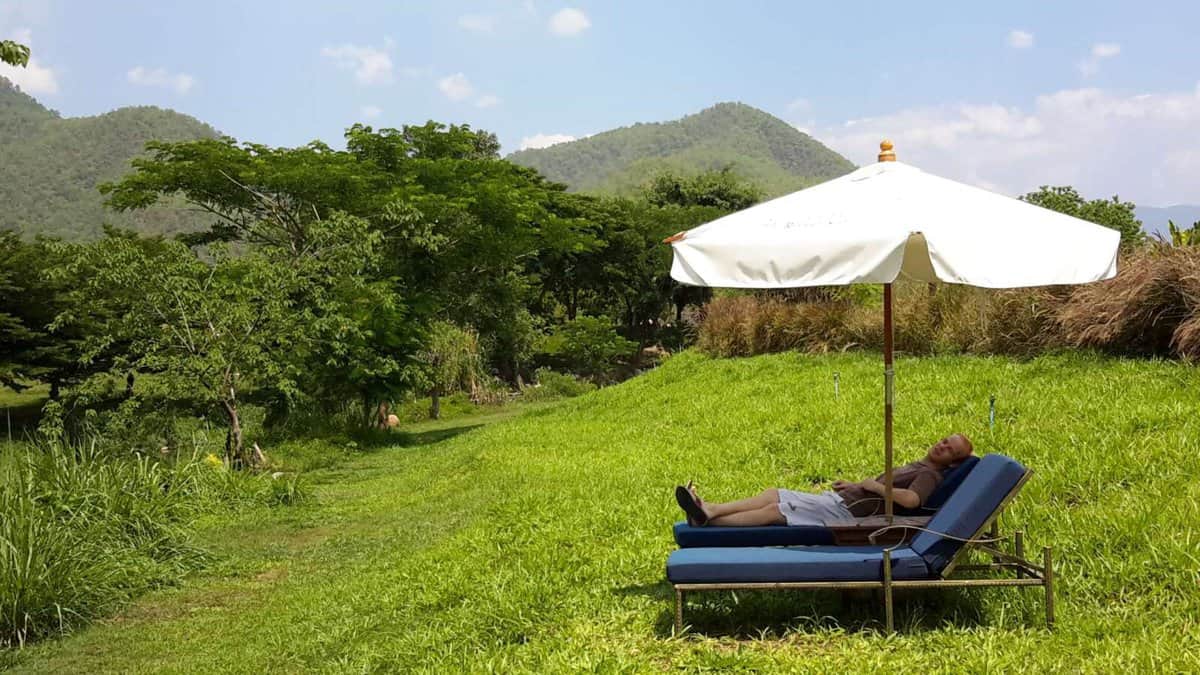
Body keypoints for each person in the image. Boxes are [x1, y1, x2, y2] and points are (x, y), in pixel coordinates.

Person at [675, 434, 974, 527]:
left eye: (951, 449)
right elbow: (881, 490)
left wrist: (871, 486)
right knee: (773, 493)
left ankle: (707, 520)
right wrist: (856, 485)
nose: (942, 445)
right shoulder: (920, 464)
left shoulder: (929, 474)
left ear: (955, 461)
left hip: (848, 515)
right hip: (843, 500)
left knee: (776, 511)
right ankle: (710, 509)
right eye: (945, 440)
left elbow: (911, 500)